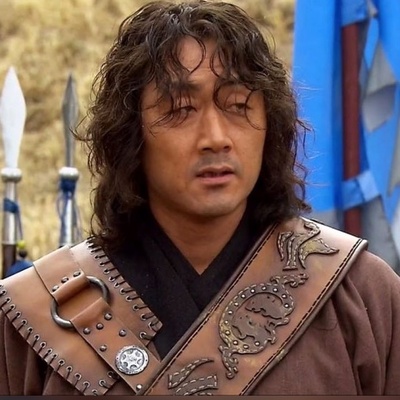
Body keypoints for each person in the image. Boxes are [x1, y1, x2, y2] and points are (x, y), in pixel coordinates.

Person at [0, 0, 399, 396]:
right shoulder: (37, 319)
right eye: (180, 110)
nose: (216, 138)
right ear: (131, 135)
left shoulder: (362, 295)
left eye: (239, 106)